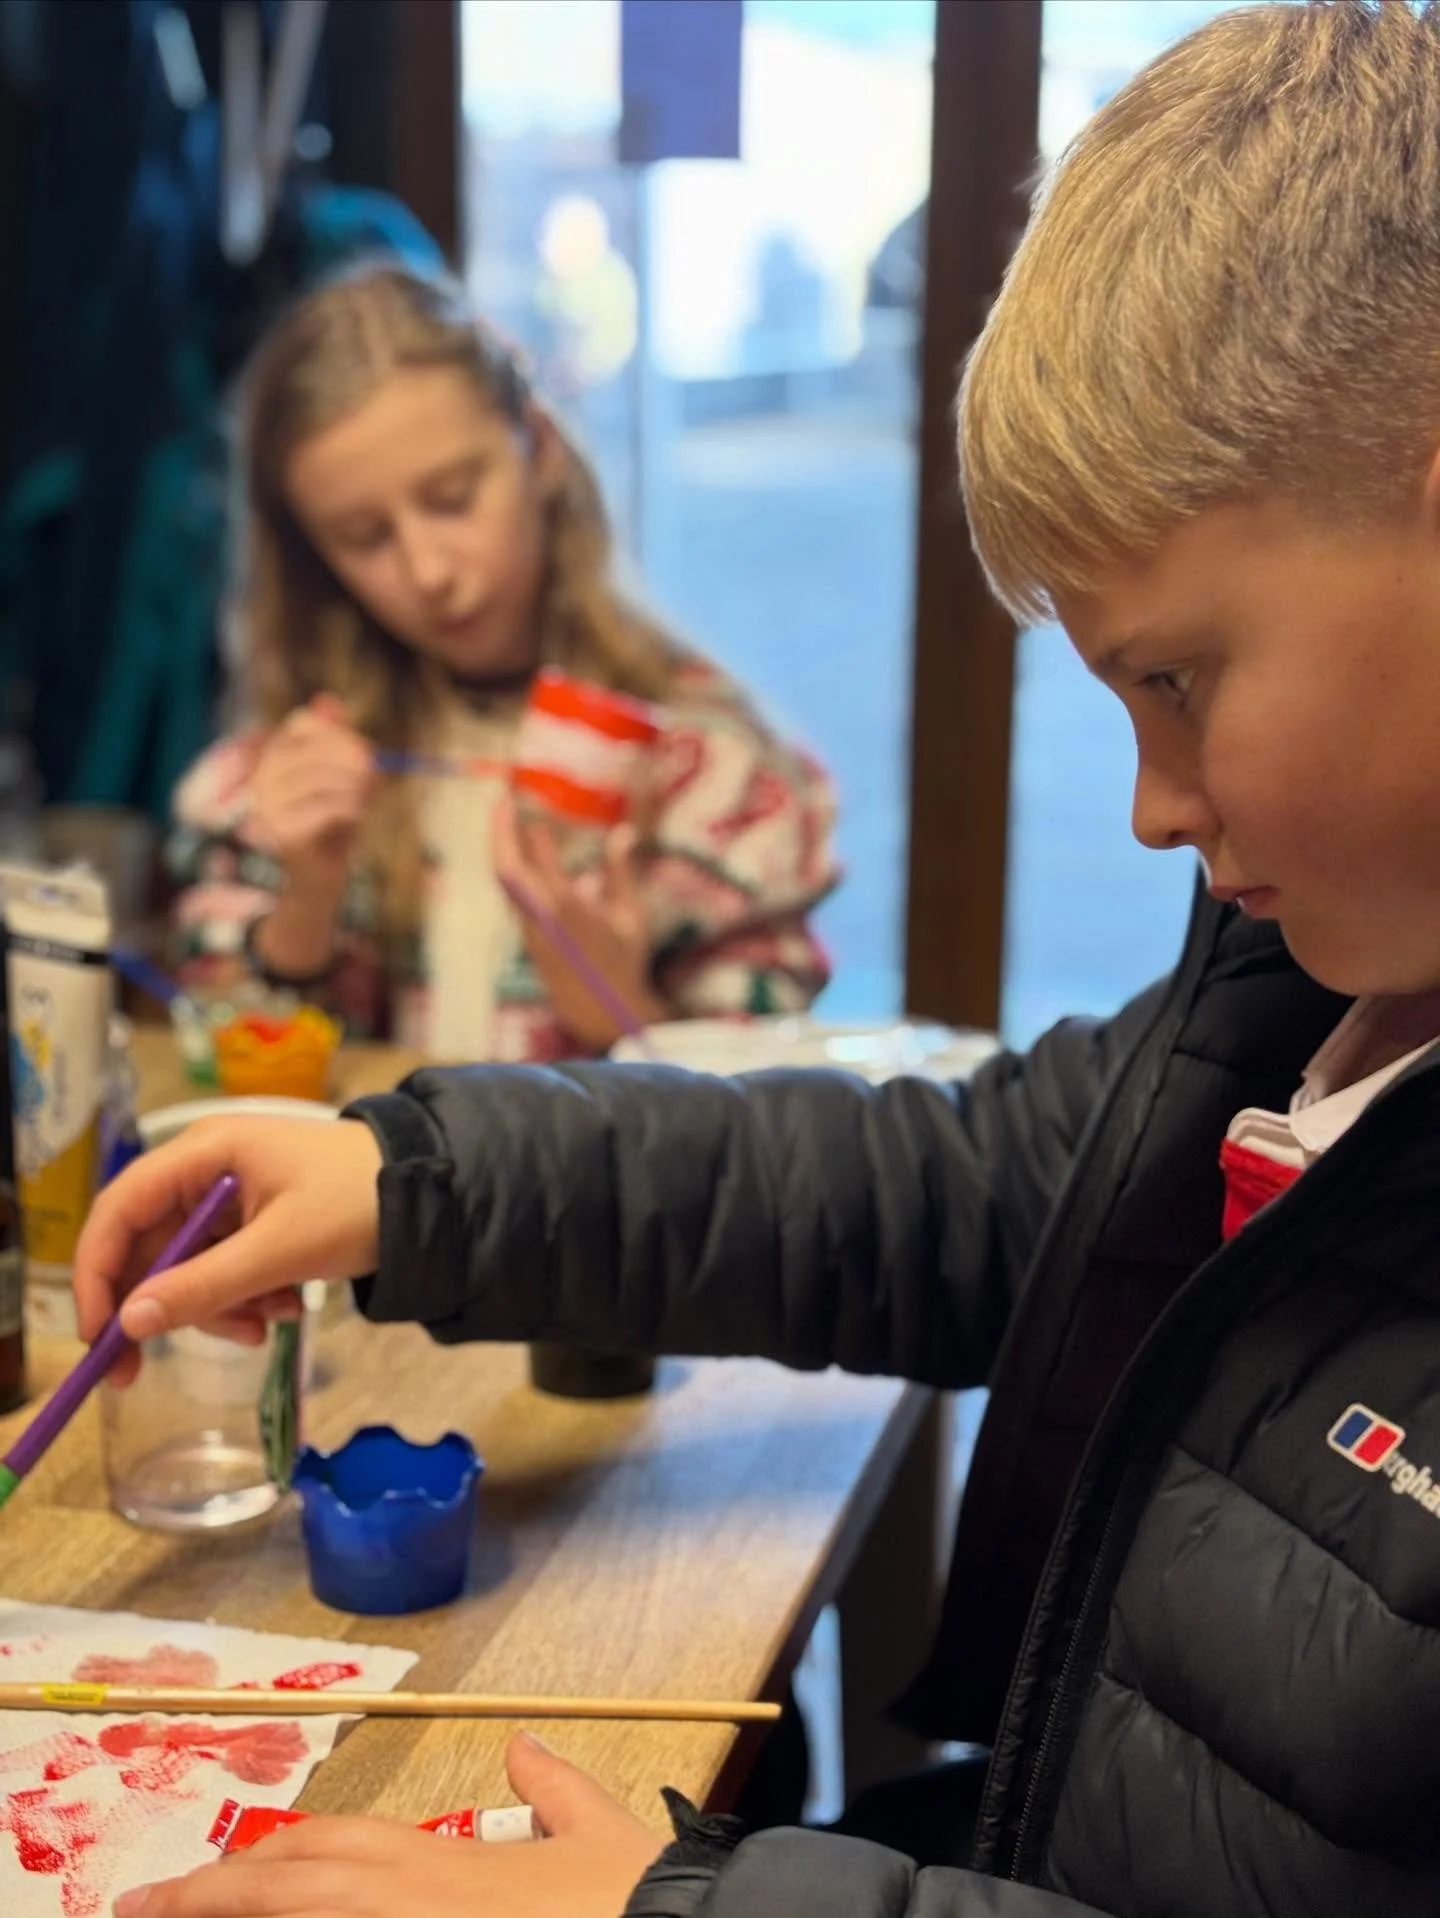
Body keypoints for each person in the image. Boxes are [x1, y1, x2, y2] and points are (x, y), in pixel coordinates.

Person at [82, 1, 1440, 1913]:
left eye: (1175, 676)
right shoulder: (1317, 1002)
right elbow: (950, 1183)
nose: (1152, 809)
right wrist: (417, 1168)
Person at [167, 262, 837, 1061]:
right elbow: (223, 1076)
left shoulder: (708, 773)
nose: (429, 572)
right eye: (364, 537)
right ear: (313, 557)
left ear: (541, 448)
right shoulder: (289, 774)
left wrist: (621, 1014)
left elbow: (776, 1133)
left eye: (453, 498)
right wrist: (304, 905)